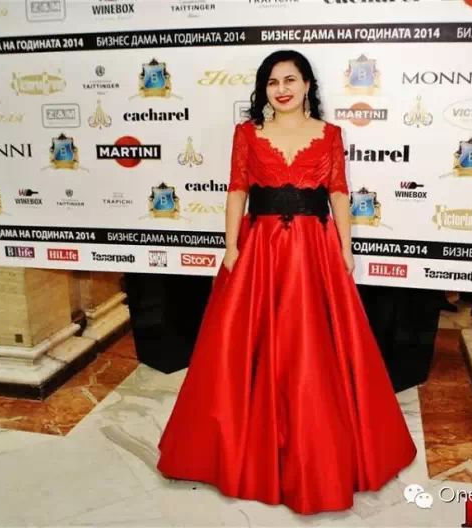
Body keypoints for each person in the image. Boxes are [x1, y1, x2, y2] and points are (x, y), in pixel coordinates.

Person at [157, 50, 417, 515]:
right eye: (273, 82)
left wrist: (346, 248)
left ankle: (321, 451)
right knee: (244, 345)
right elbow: (237, 189)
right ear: (264, 89)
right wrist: (231, 246)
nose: (282, 89)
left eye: (290, 80)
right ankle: (238, 449)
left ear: (307, 85)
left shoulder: (329, 135)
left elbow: (339, 193)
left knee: (313, 344)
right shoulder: (247, 134)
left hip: (314, 250)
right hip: (260, 249)